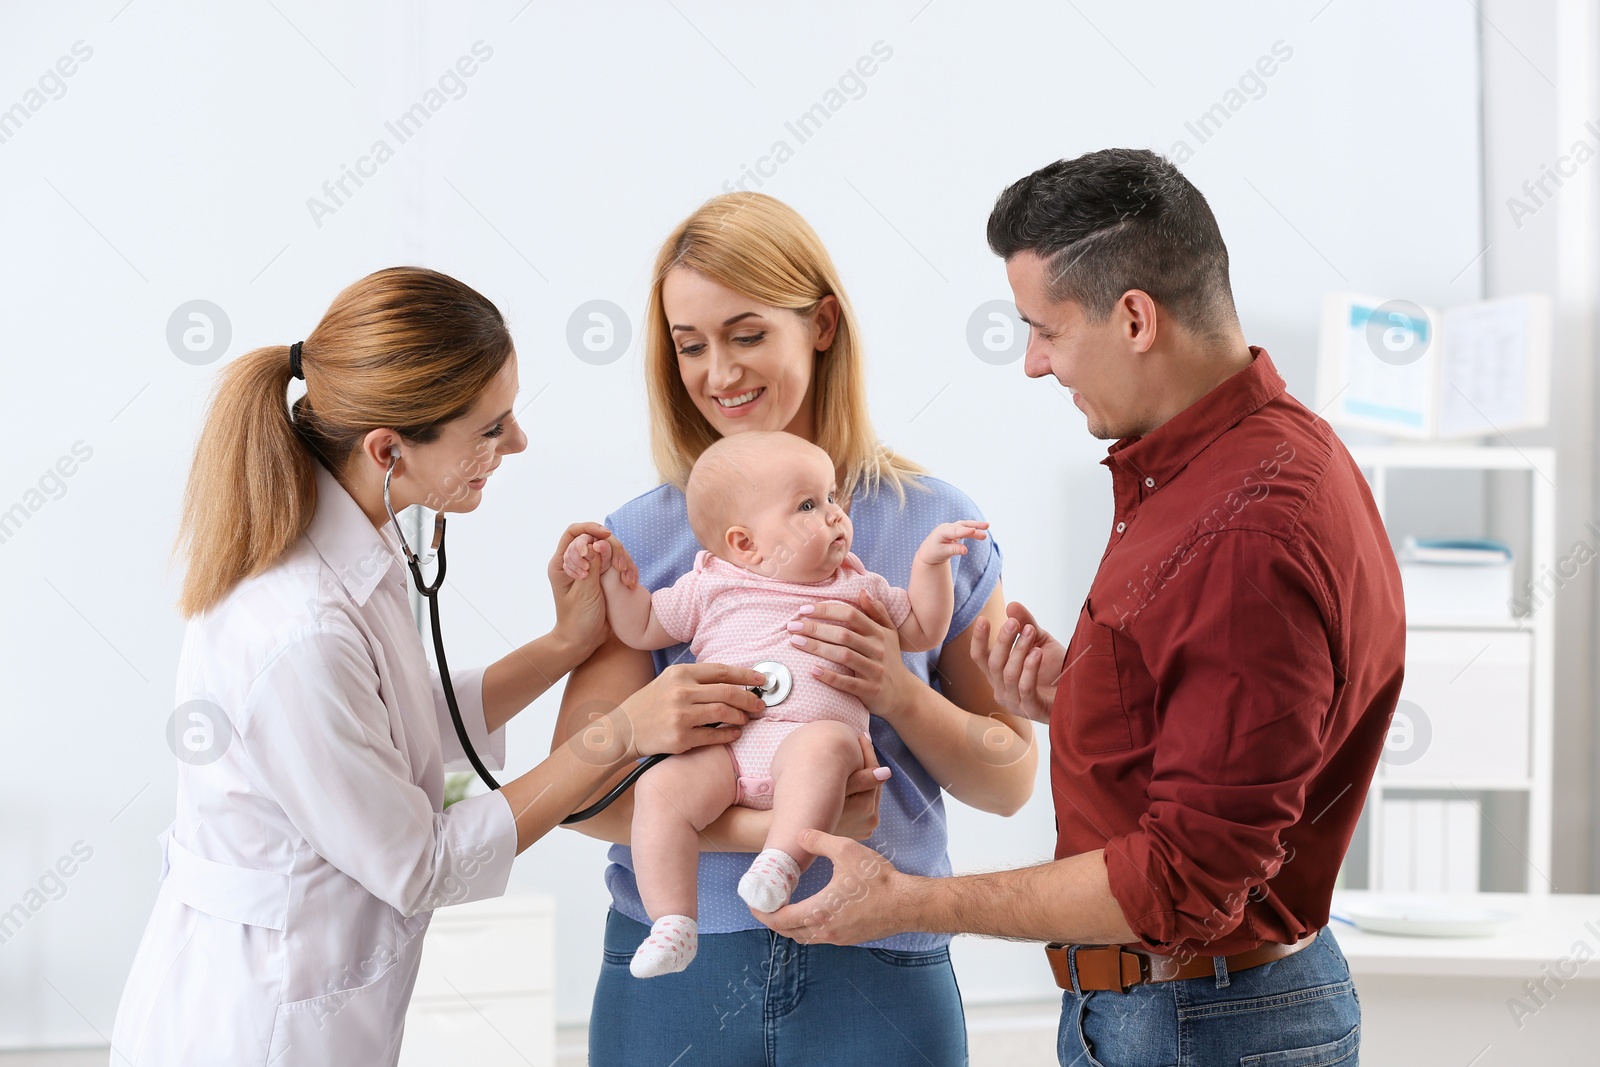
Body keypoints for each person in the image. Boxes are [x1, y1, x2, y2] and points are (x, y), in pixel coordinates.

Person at [753, 150, 1406, 1067]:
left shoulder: (1244, 530)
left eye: (1045, 330)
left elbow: (1182, 882)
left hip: (1198, 1021)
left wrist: (907, 900)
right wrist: (1094, 703)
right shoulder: (1254, 455)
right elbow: (1248, 733)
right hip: (1192, 1012)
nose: (1032, 363)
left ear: (1136, 316)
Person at [109, 267, 769, 1067]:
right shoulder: (300, 629)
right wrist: (623, 734)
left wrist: (561, 644)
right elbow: (422, 864)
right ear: (388, 449)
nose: (517, 443)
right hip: (253, 1027)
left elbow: (400, 718)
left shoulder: (348, 548)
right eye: (490, 428)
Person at [553, 192, 1037, 1064]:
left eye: (746, 335)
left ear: (820, 324)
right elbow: (577, 794)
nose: (718, 373)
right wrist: (787, 831)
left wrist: (897, 692)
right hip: (678, 970)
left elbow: (1009, 781)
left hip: (881, 951)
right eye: (689, 344)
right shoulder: (649, 540)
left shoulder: (933, 525)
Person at [562, 430, 987, 977]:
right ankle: (673, 922)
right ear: (744, 545)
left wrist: (930, 566)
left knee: (828, 745)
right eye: (809, 505)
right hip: (726, 752)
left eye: (833, 497)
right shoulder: (709, 585)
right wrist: (614, 576)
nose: (835, 515)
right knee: (659, 789)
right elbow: (642, 625)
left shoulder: (858, 585)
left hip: (807, 748)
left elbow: (925, 629)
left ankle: (781, 863)